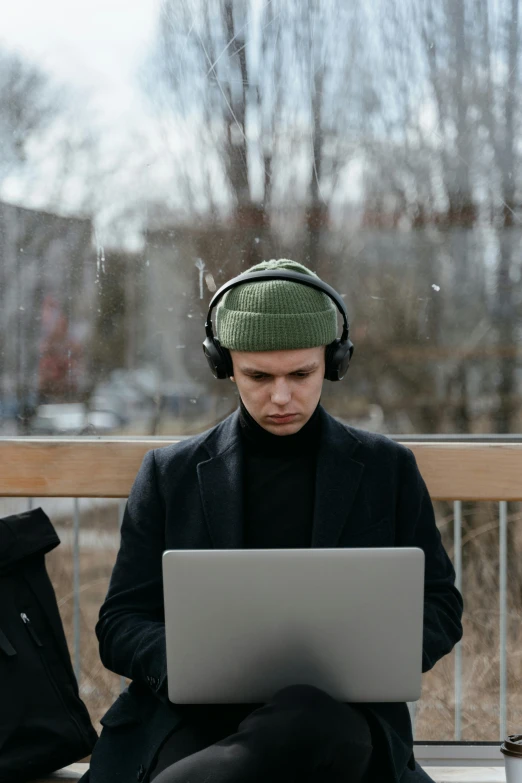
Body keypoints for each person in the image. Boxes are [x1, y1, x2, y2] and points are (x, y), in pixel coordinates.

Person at [82, 258, 463, 783]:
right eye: (258, 376)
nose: (280, 397)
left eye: (300, 374)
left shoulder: (386, 470)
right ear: (225, 365)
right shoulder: (170, 474)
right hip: (195, 718)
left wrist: (382, 658)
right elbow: (119, 621)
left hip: (340, 716)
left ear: (333, 361)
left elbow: (440, 603)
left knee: (308, 720)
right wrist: (191, 666)